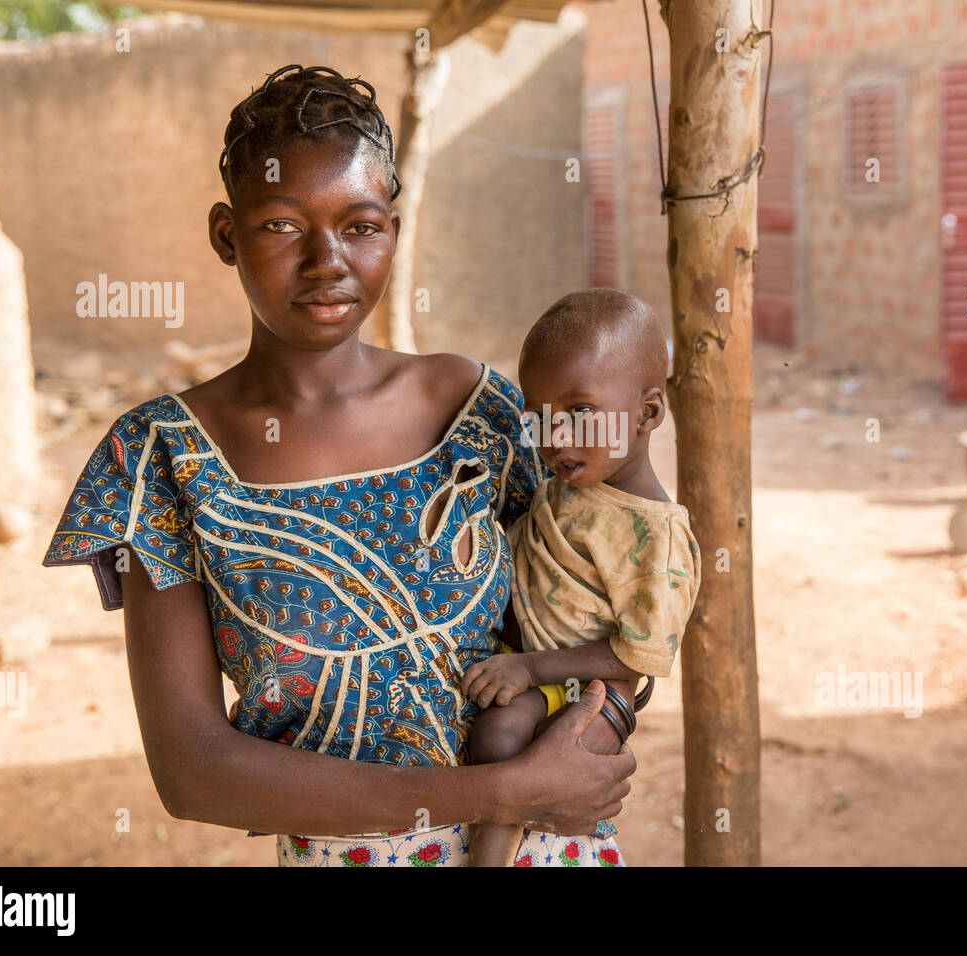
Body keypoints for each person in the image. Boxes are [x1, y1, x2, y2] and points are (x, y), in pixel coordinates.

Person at [41, 65, 635, 867]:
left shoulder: (480, 413)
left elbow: (624, 605)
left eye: (361, 226)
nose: (328, 261)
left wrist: (594, 735)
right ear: (226, 234)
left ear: (394, 226)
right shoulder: (162, 460)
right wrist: (501, 792)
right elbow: (192, 773)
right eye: (283, 226)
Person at [462, 289, 701, 866]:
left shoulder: (655, 539)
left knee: (500, 740)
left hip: (586, 693)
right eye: (538, 418)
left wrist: (529, 667)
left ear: (647, 413)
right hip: (541, 674)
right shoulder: (571, 488)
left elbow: (640, 656)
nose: (555, 438)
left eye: (580, 411)